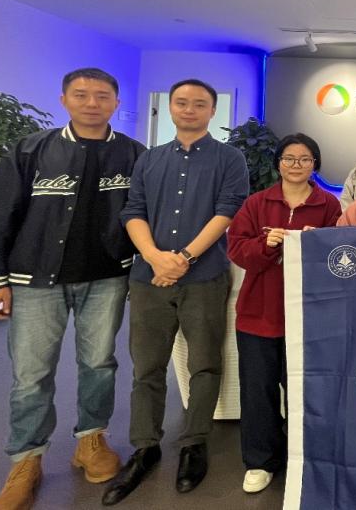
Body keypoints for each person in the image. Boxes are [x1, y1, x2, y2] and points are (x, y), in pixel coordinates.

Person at [0, 68, 145, 510]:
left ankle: (91, 440)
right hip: (35, 279)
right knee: (31, 375)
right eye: (81, 95)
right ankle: (26, 460)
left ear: (116, 103)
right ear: (64, 99)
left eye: (101, 96)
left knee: (100, 364)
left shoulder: (133, 154)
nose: (92, 103)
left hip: (106, 276)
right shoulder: (30, 150)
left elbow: (144, 213)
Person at [103, 79, 249, 505]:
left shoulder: (230, 158)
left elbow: (227, 211)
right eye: (182, 103)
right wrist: (154, 257)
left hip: (204, 278)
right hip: (149, 280)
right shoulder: (149, 159)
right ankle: (144, 447)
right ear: (170, 108)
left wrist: (183, 257)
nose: (189, 109)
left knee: (204, 363)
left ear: (211, 110)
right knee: (146, 367)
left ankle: (193, 443)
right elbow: (133, 211)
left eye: (199, 104)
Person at [226, 133, 341, 494]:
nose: (296, 165)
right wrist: (267, 244)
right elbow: (237, 250)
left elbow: (339, 259)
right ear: (278, 163)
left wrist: (315, 246)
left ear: (315, 165)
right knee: (257, 391)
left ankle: (302, 457)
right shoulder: (257, 203)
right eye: (289, 158)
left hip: (309, 319)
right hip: (258, 314)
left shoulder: (329, 206)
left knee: (304, 391)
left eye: (305, 159)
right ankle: (260, 461)